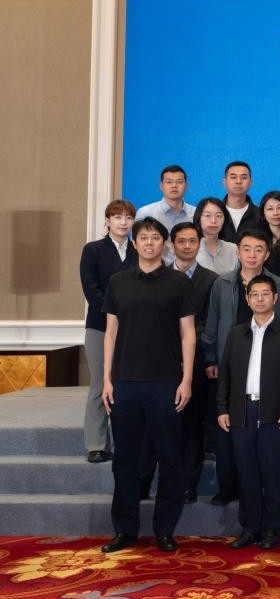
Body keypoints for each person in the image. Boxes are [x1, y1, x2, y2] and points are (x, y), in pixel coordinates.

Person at [99, 218, 195, 554]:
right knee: (125, 459)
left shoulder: (179, 282)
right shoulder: (118, 282)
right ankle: (125, 530)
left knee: (170, 458)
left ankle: (165, 529)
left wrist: (186, 379)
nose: (150, 243)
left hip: (166, 383)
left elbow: (188, 333)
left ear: (164, 243)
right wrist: (106, 379)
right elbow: (110, 333)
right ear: (135, 243)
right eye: (144, 238)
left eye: (156, 238)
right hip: (124, 382)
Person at [201, 229, 280, 506]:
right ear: (238, 253)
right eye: (246, 249)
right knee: (228, 430)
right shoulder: (222, 283)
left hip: (266, 368)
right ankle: (228, 487)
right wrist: (211, 358)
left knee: (263, 436)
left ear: (267, 254)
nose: (252, 255)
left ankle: (260, 489)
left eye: (258, 249)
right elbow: (213, 322)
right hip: (230, 364)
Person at [216, 276, 280, 550]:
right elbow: (225, 375)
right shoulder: (236, 334)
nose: (260, 299)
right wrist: (222, 408)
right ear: (247, 299)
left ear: (275, 298)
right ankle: (249, 528)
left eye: (266, 294)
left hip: (274, 412)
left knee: (272, 472)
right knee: (246, 472)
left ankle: (272, 529)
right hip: (241, 410)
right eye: (254, 294)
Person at [79, 199, 137, 463]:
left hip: (135, 329)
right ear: (107, 221)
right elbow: (91, 289)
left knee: (128, 385)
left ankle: (127, 442)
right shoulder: (93, 250)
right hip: (100, 326)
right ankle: (97, 444)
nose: (123, 222)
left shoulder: (138, 249)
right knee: (100, 383)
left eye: (128, 218)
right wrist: (117, 313)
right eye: (117, 217)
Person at [166, 222, 219, 505]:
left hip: (197, 360)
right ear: (171, 244)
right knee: (162, 422)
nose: (187, 246)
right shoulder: (160, 277)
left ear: (199, 244)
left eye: (192, 241)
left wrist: (207, 355)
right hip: (161, 360)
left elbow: (211, 323)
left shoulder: (212, 280)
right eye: (181, 241)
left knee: (191, 424)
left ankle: (188, 483)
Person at [137, 165, 196, 230]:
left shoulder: (195, 213)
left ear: (186, 186)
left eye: (179, 182)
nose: (174, 185)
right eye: (169, 182)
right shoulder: (145, 213)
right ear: (161, 186)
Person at [194, 197, 239, 275]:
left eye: (218, 216)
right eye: (208, 215)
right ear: (199, 218)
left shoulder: (233, 249)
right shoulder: (190, 248)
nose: (213, 221)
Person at [219, 161, 261, 244]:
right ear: (224, 182)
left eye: (244, 177)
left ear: (250, 183)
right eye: (233, 177)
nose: (238, 181)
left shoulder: (260, 214)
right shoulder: (215, 214)